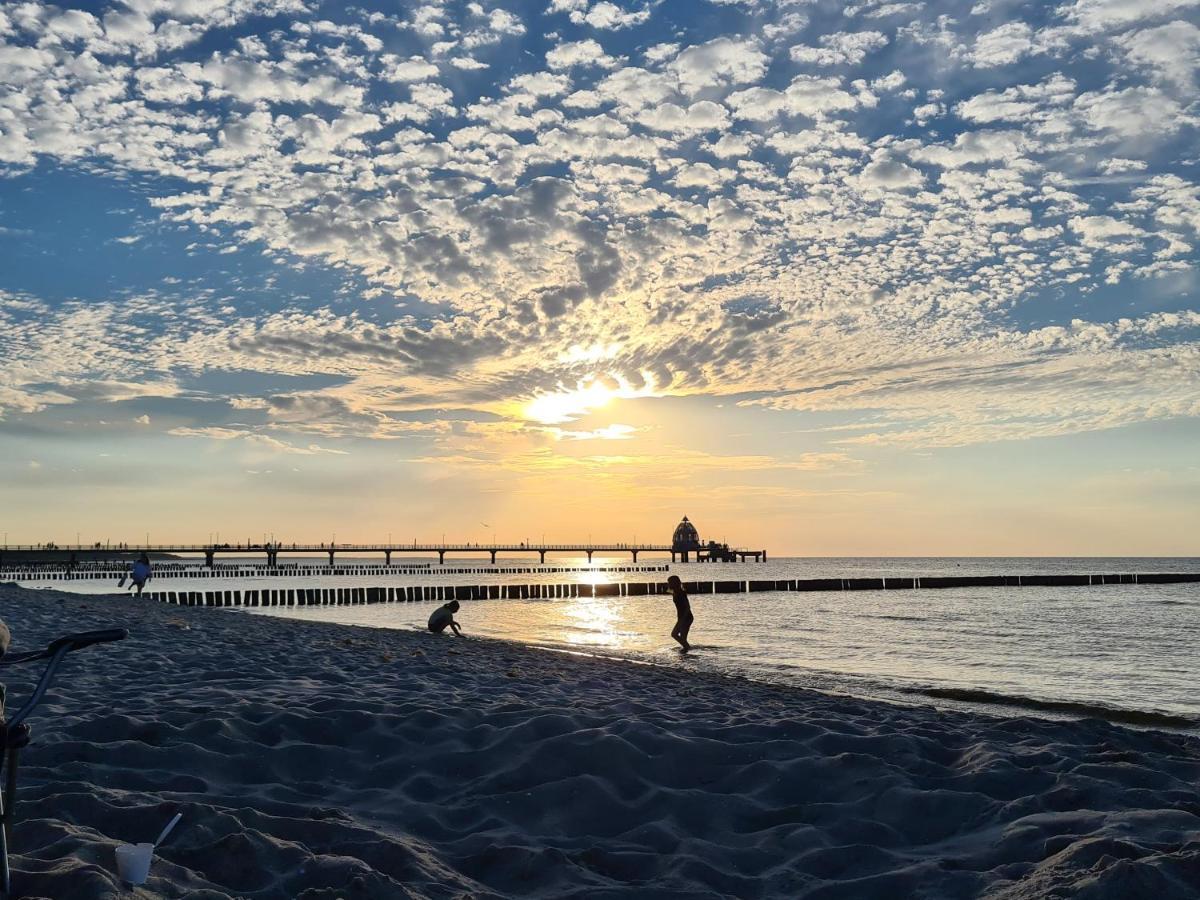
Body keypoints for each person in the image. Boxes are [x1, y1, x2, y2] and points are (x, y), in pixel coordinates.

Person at [667, 575, 693, 651]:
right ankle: (685, 655)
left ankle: (688, 650)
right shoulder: (675, 592)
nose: (668, 584)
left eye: (669, 583)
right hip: (682, 618)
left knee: (674, 634)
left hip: (686, 617)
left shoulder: (681, 593)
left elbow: (687, 607)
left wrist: (682, 619)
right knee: (682, 639)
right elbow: (668, 590)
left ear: (674, 583)